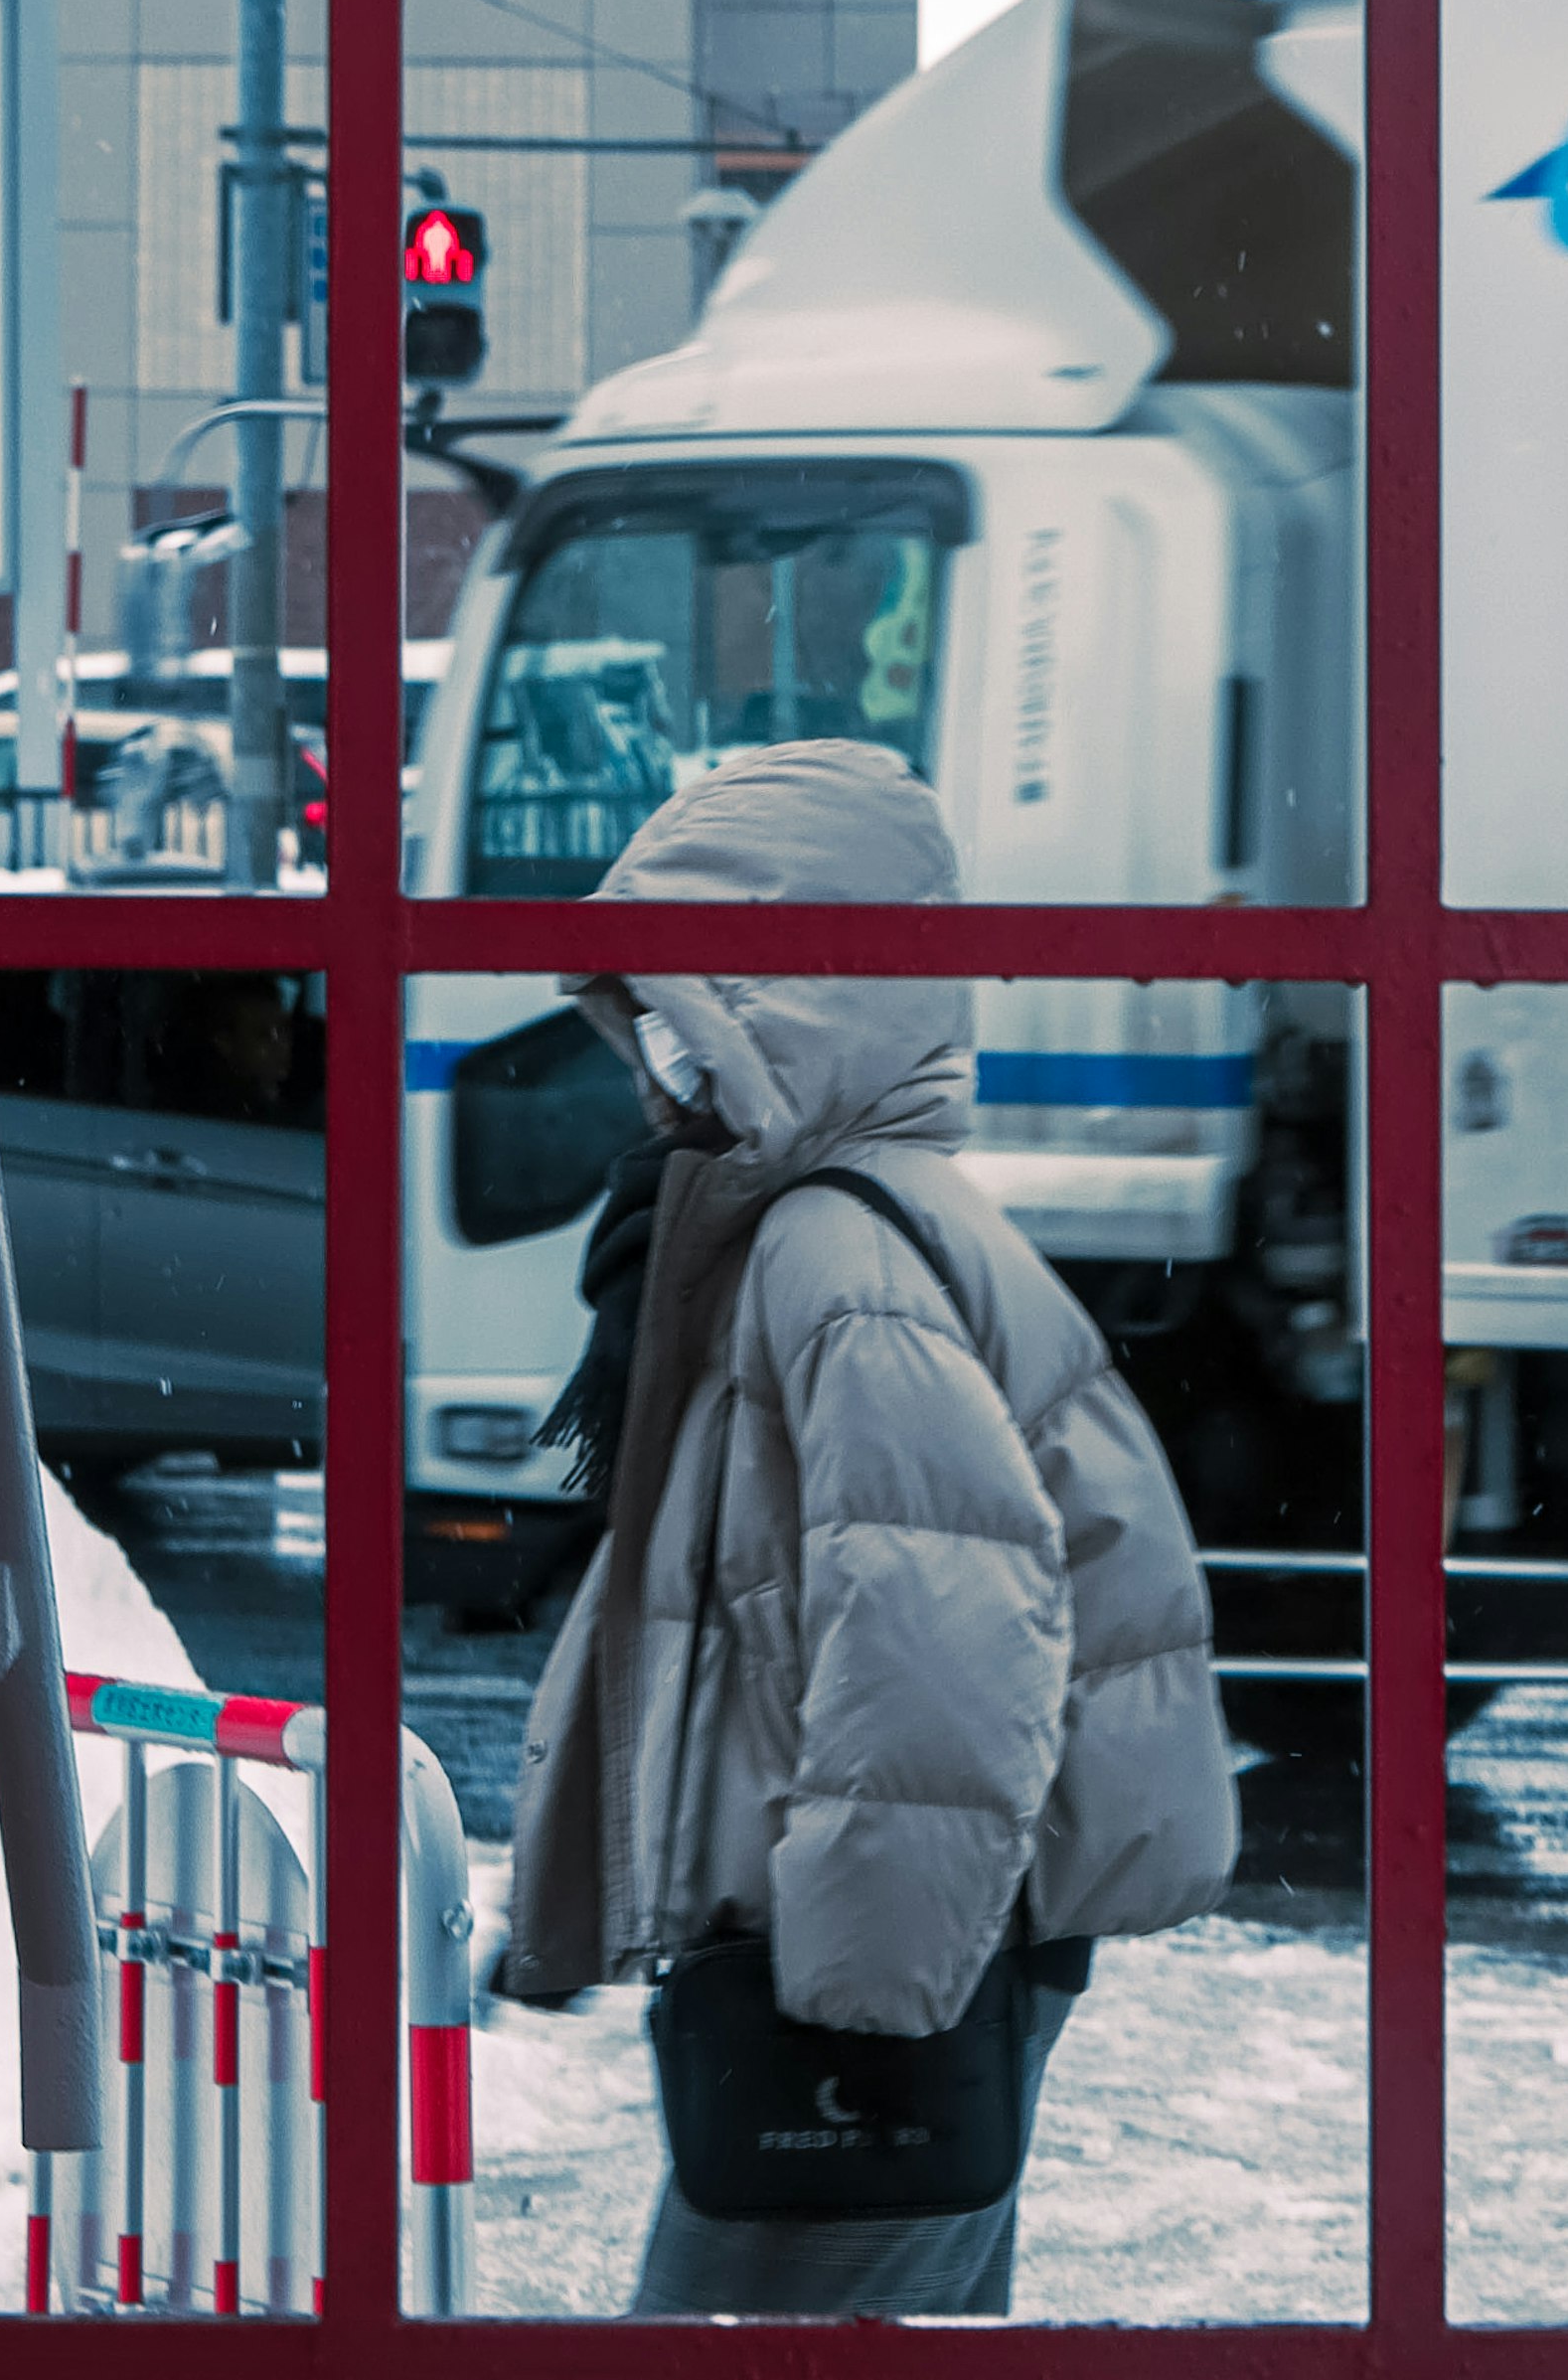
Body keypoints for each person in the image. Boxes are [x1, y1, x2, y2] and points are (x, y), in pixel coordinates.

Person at [495, 736, 1235, 2314]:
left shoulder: (836, 1251)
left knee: (731, 2342)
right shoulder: (822, 1221)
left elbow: (949, 1640)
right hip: (898, 1942)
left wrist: (856, 1995)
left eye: (680, 1012)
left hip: (876, 1974)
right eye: (643, 1015)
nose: (653, 1064)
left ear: (781, 1006)